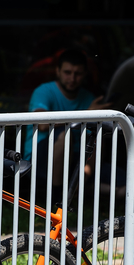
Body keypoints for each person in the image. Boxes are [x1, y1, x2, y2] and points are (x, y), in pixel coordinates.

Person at [24, 47, 111, 189]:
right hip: (38, 161)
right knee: (65, 136)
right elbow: (42, 124)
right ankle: (58, 197)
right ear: (57, 71)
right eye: (67, 72)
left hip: (77, 160)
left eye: (78, 74)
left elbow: (95, 140)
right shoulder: (44, 91)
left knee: (124, 186)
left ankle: (77, 189)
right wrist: (87, 113)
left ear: (84, 75)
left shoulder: (88, 97)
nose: (72, 78)